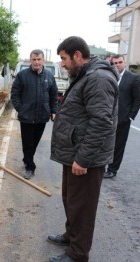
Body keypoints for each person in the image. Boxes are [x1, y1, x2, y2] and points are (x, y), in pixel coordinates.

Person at [48, 36, 119, 262]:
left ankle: (78, 254)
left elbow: (101, 122)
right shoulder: (85, 75)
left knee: (83, 207)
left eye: (64, 59)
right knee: (72, 200)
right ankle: (71, 235)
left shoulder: (98, 78)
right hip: (75, 153)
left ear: (77, 55)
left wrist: (83, 159)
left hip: (85, 158)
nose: (62, 64)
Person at [11, 49, 58, 179]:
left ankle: (27, 159)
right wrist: (21, 109)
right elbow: (15, 94)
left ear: (43, 60)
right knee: (28, 143)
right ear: (30, 60)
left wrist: (53, 111)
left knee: (35, 143)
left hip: (42, 117)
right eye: (34, 60)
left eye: (39, 60)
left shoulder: (49, 76)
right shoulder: (22, 75)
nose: (37, 62)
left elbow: (54, 96)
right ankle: (30, 167)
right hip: (26, 117)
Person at [104, 54, 140, 179]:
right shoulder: (109, 76)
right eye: (115, 63)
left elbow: (137, 99)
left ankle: (112, 169)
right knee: (104, 142)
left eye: (120, 62)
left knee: (118, 145)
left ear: (124, 63)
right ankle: (101, 166)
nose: (118, 65)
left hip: (123, 119)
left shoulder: (133, 78)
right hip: (107, 118)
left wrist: (130, 117)